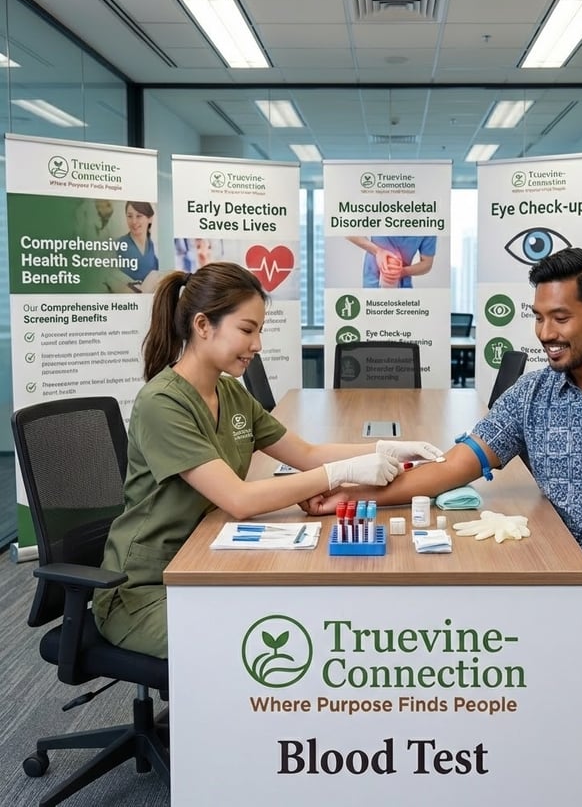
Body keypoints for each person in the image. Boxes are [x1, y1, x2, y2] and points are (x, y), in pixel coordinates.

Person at [303, 247, 582, 807]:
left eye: (560, 318)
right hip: (555, 570)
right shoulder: (533, 393)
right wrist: (352, 493)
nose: (544, 332)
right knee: (465, 638)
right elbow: (454, 465)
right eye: (538, 315)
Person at [92, 262, 441, 659]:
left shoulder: (230, 393)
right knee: (264, 644)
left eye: (259, 330)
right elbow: (238, 500)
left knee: (292, 623)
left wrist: (384, 449)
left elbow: (306, 454)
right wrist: (341, 473)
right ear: (203, 325)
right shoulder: (163, 403)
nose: (257, 345)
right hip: (148, 588)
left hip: (208, 561)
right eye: (247, 329)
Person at [346, 235, 436, 287]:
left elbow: (427, 263)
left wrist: (401, 272)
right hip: (373, 282)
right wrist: (378, 251)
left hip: (403, 285)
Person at [117, 201, 159, 284]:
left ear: (150, 218)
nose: (134, 221)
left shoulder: (151, 245)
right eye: (129, 216)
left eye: (139, 216)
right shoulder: (119, 245)